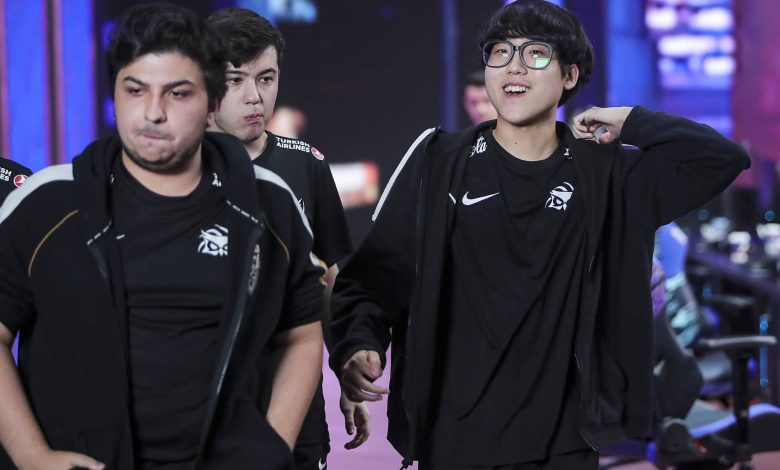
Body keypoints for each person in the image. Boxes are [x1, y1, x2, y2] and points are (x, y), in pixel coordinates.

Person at [328, 1, 750, 469]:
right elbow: (373, 280)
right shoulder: (439, 162)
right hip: (455, 432)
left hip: (565, 438)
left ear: (569, 76)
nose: (514, 66)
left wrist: (630, 120)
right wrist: (358, 343)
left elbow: (722, 159)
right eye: (500, 51)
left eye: (536, 53)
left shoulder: (606, 175)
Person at [0, 4, 324, 469]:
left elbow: (300, 335)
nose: (152, 112)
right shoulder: (48, 203)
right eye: (135, 90)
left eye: (177, 93)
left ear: (211, 103)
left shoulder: (268, 204)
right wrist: (31, 455)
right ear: (115, 95)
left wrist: (270, 449)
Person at [206, 8, 368, 470]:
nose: (254, 97)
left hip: (296, 404)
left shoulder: (305, 164)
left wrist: (345, 364)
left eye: (266, 78)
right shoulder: (174, 170)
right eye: (235, 80)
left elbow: (332, 277)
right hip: (201, 406)